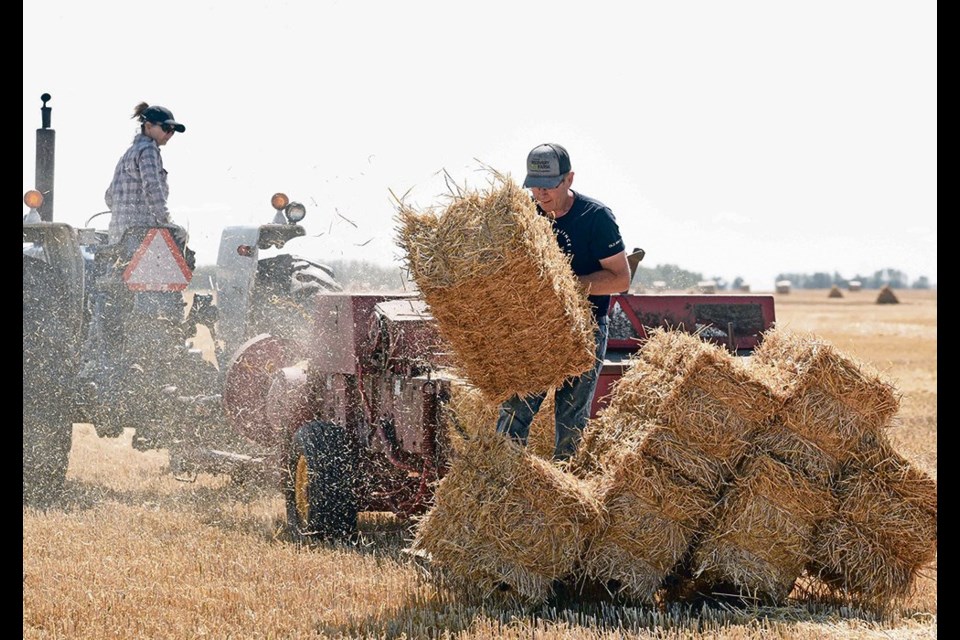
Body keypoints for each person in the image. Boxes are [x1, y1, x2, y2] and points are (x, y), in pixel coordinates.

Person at [496, 143, 631, 461]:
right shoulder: (523, 216)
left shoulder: (596, 218)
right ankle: (500, 485)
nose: (540, 194)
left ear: (569, 179)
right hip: (532, 331)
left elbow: (621, 278)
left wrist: (563, 285)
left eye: (549, 185)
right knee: (515, 412)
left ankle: (565, 495)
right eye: (534, 185)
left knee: (571, 422)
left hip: (584, 330)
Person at [104, 102, 193, 268]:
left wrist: (125, 211)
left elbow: (109, 197)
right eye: (166, 128)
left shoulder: (126, 155)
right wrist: (167, 222)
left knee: (122, 288)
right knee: (171, 275)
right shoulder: (149, 150)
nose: (170, 134)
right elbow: (153, 189)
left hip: (118, 237)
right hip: (142, 236)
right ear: (149, 126)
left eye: (173, 131)